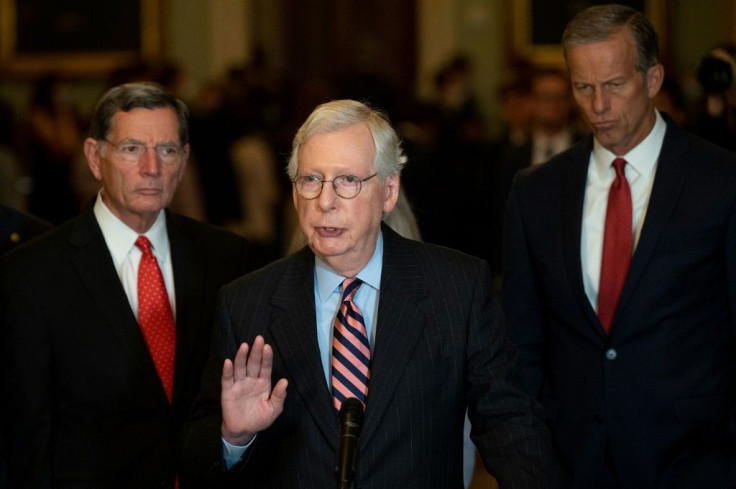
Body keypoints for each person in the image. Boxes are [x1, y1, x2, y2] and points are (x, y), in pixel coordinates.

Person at [178, 99, 552, 488]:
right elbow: (195, 454)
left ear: (389, 192)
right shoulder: (245, 302)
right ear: (293, 194)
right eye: (311, 180)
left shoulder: (456, 287)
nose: (325, 202)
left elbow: (509, 424)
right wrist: (233, 437)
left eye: (347, 181)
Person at [503, 5, 736, 488]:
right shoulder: (536, 192)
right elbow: (523, 341)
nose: (598, 106)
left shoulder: (722, 181)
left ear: (653, 78)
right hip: (572, 461)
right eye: (583, 88)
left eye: (614, 85)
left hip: (696, 460)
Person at [0, 82, 263, 488]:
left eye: (168, 150)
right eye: (132, 148)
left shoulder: (228, 258)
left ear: (185, 158)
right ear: (95, 157)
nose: (152, 167)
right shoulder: (32, 274)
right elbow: (26, 439)